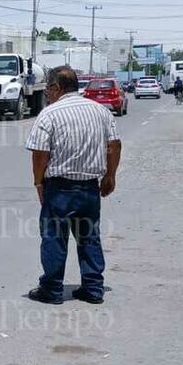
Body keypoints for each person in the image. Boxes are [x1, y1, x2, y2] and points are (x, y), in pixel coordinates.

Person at [25, 66, 122, 305]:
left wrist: (39, 182)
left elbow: (40, 154)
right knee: (89, 237)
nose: (46, 93)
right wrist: (110, 176)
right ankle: (93, 288)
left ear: (57, 87)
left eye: (48, 88)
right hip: (89, 188)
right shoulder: (100, 111)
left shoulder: (49, 114)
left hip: (59, 188)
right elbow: (115, 144)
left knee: (54, 239)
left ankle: (52, 289)